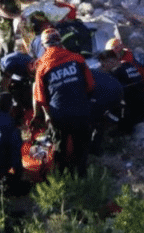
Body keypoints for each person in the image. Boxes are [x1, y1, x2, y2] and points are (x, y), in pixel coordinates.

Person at [33, 28, 95, 176]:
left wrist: (47, 116)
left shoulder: (42, 67)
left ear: (43, 45)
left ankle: (60, 178)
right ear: (60, 41)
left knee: (59, 148)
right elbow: (91, 85)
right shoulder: (77, 59)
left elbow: (40, 98)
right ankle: (82, 177)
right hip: (81, 111)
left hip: (59, 115)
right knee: (82, 147)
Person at [97, 49, 144, 135]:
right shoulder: (129, 65)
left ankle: (125, 129)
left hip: (134, 114)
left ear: (111, 61)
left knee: (102, 106)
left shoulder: (115, 73)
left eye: (103, 64)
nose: (102, 66)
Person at [86, 62, 124, 156]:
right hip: (117, 89)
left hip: (107, 94)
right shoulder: (89, 70)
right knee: (100, 118)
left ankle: (94, 149)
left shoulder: (81, 78)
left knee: (94, 121)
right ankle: (110, 119)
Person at [0, 51, 35, 116]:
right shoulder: (12, 64)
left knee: (25, 90)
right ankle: (3, 115)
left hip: (18, 72)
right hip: (4, 68)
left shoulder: (33, 63)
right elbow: (4, 85)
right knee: (2, 94)